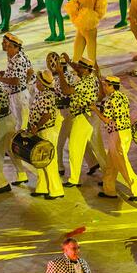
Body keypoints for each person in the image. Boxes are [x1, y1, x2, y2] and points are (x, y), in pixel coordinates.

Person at [92, 76, 137, 200]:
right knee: (111, 163)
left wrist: (95, 109)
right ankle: (109, 190)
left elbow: (106, 119)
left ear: (112, 86)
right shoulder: (123, 96)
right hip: (125, 132)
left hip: (117, 135)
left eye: (106, 85)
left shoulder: (109, 100)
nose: (104, 88)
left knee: (122, 163)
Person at [58, 56, 106, 188]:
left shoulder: (84, 83)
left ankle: (74, 179)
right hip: (91, 117)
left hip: (82, 117)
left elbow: (66, 90)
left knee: (74, 148)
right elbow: (79, 69)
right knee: (99, 148)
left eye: (80, 67)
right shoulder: (93, 77)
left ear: (86, 70)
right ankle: (108, 176)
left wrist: (61, 73)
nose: (77, 68)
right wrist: (69, 62)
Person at [26, 71, 64, 200]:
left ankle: (56, 189)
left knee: (49, 160)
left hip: (47, 130)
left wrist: (36, 126)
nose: (36, 83)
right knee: (40, 160)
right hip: (41, 130)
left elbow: (46, 115)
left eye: (37, 81)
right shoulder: (41, 94)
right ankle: (42, 187)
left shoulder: (47, 95)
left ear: (42, 83)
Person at [0, 33, 33, 132]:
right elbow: (25, 72)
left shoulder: (18, 60)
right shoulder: (13, 57)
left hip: (18, 96)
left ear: (17, 48)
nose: (7, 48)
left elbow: (16, 81)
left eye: (9, 46)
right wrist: (5, 74)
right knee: (19, 123)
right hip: (19, 93)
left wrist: (0, 78)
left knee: (21, 126)